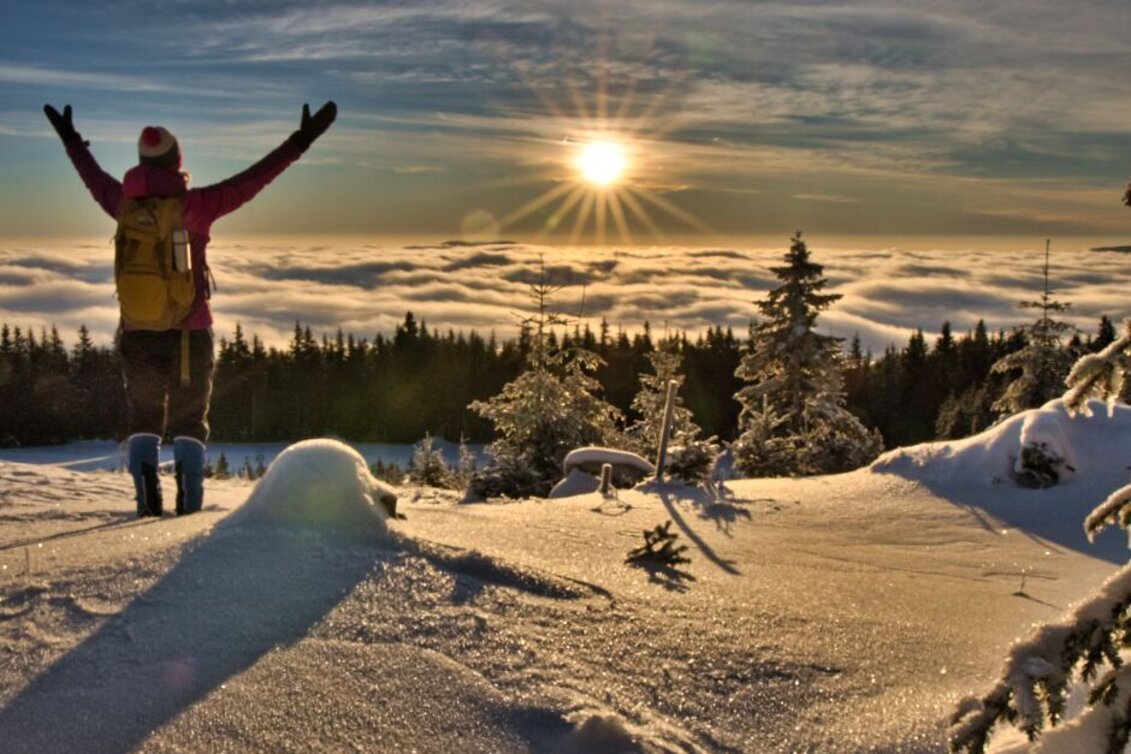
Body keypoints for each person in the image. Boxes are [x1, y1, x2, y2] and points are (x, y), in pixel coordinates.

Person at [44, 101, 337, 517]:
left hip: (137, 333)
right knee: (190, 421)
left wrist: (71, 141)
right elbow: (251, 180)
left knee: (144, 416)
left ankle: (147, 507)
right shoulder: (194, 207)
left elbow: (92, 178)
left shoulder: (123, 205)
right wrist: (300, 142)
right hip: (189, 333)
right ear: (175, 162)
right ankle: (188, 513)